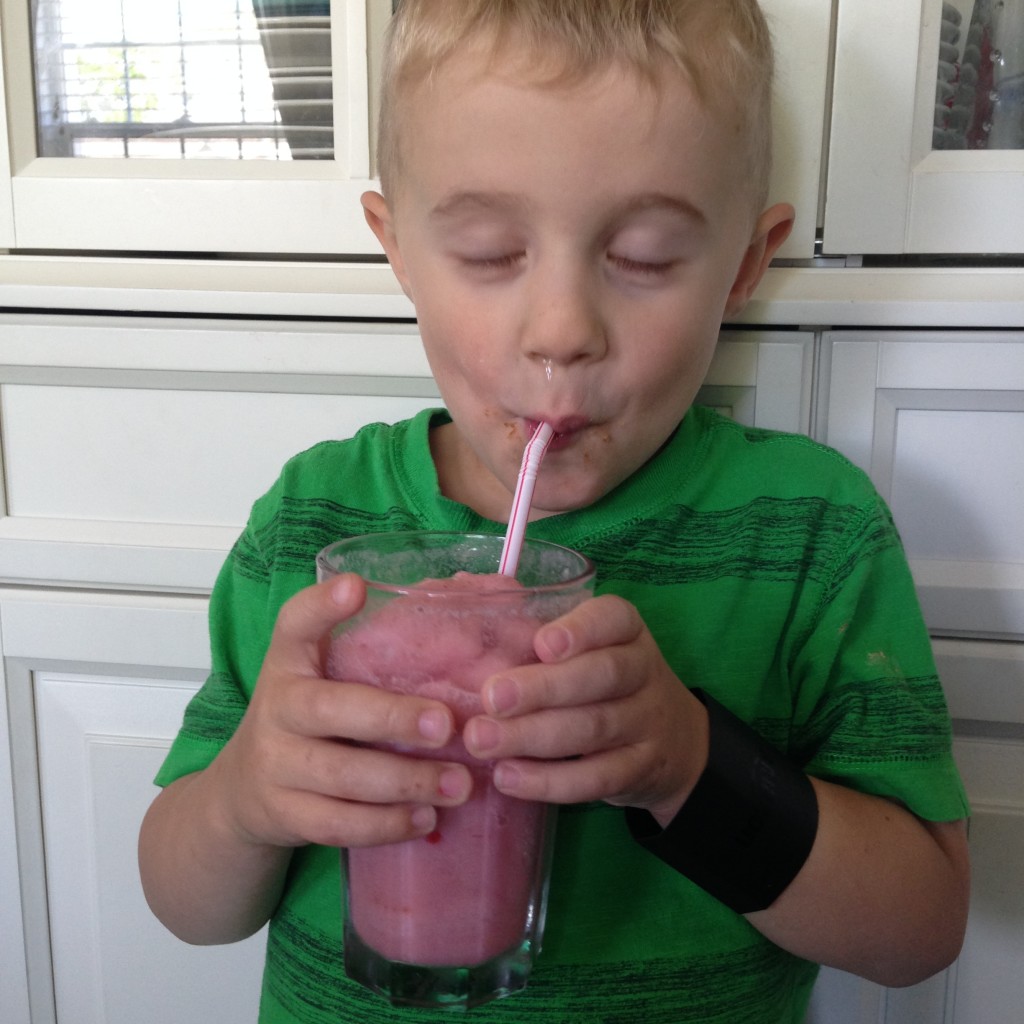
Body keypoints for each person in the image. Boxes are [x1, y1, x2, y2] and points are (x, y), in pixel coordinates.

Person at [138, 2, 971, 1021]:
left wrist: (688, 765)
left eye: (647, 256)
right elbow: (185, 904)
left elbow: (918, 931)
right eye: (490, 251)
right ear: (397, 248)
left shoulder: (811, 533)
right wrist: (244, 799)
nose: (563, 329)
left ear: (745, 266)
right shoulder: (314, 526)